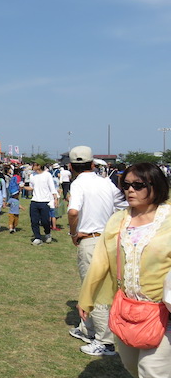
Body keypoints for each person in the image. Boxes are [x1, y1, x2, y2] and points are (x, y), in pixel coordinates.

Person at [78, 163, 171, 378]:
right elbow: (100, 260)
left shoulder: (169, 219)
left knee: (152, 375)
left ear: (156, 186)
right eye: (126, 184)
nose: (130, 190)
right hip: (128, 309)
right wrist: (86, 297)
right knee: (133, 367)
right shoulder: (119, 220)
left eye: (138, 185)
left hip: (163, 312)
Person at [67, 146, 127, 356]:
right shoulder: (105, 183)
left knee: (95, 289)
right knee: (97, 287)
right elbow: (123, 205)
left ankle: (105, 341)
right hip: (108, 239)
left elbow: (73, 211)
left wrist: (73, 233)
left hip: (90, 240)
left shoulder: (78, 184)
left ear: (71, 166)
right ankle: (88, 329)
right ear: (93, 164)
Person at [26, 162, 59, 245]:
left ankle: (47, 233)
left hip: (45, 201)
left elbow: (52, 187)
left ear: (39, 166)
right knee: (34, 221)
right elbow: (31, 187)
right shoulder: (32, 175)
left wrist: (55, 199)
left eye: (34, 165)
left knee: (45, 221)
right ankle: (37, 237)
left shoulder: (47, 175)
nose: (32, 167)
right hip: (34, 201)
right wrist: (23, 187)